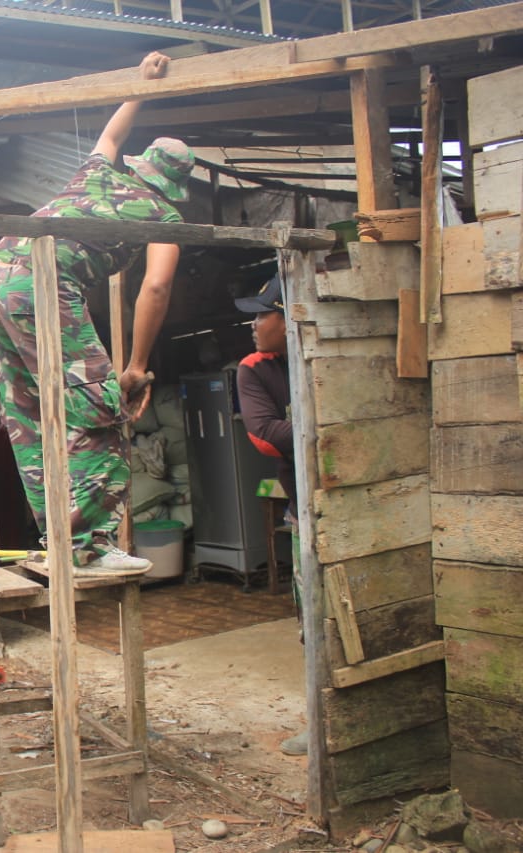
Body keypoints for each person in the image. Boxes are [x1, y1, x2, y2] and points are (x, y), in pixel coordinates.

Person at [0, 50, 194, 575]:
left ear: (144, 168)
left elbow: (113, 135)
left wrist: (142, 83)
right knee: (100, 413)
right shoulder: (163, 215)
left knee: (30, 419)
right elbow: (156, 288)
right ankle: (87, 545)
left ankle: (58, 542)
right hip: (45, 289)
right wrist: (137, 366)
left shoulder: (97, 173)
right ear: (176, 186)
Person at [233, 275, 305, 756]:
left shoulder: (318, 351)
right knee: (311, 614)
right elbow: (263, 432)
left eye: (263, 315)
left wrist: (298, 425)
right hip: (304, 505)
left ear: (289, 315)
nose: (254, 325)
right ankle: (319, 719)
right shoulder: (254, 368)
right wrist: (318, 423)